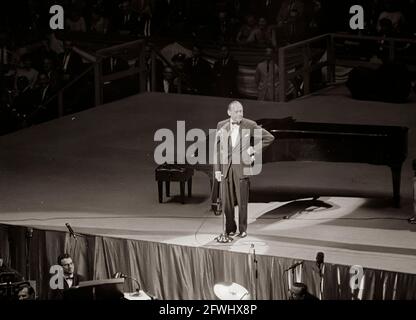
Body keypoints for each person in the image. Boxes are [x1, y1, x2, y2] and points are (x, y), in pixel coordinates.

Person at [213, 101, 275, 238]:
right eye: (237, 111)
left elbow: (269, 138)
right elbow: (217, 149)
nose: (240, 114)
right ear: (229, 113)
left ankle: (242, 229)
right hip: (226, 168)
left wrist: (253, 150)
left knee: (242, 202)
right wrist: (217, 170)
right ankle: (230, 227)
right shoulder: (221, 125)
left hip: (242, 168)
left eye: (241, 111)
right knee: (227, 202)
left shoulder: (250, 124)